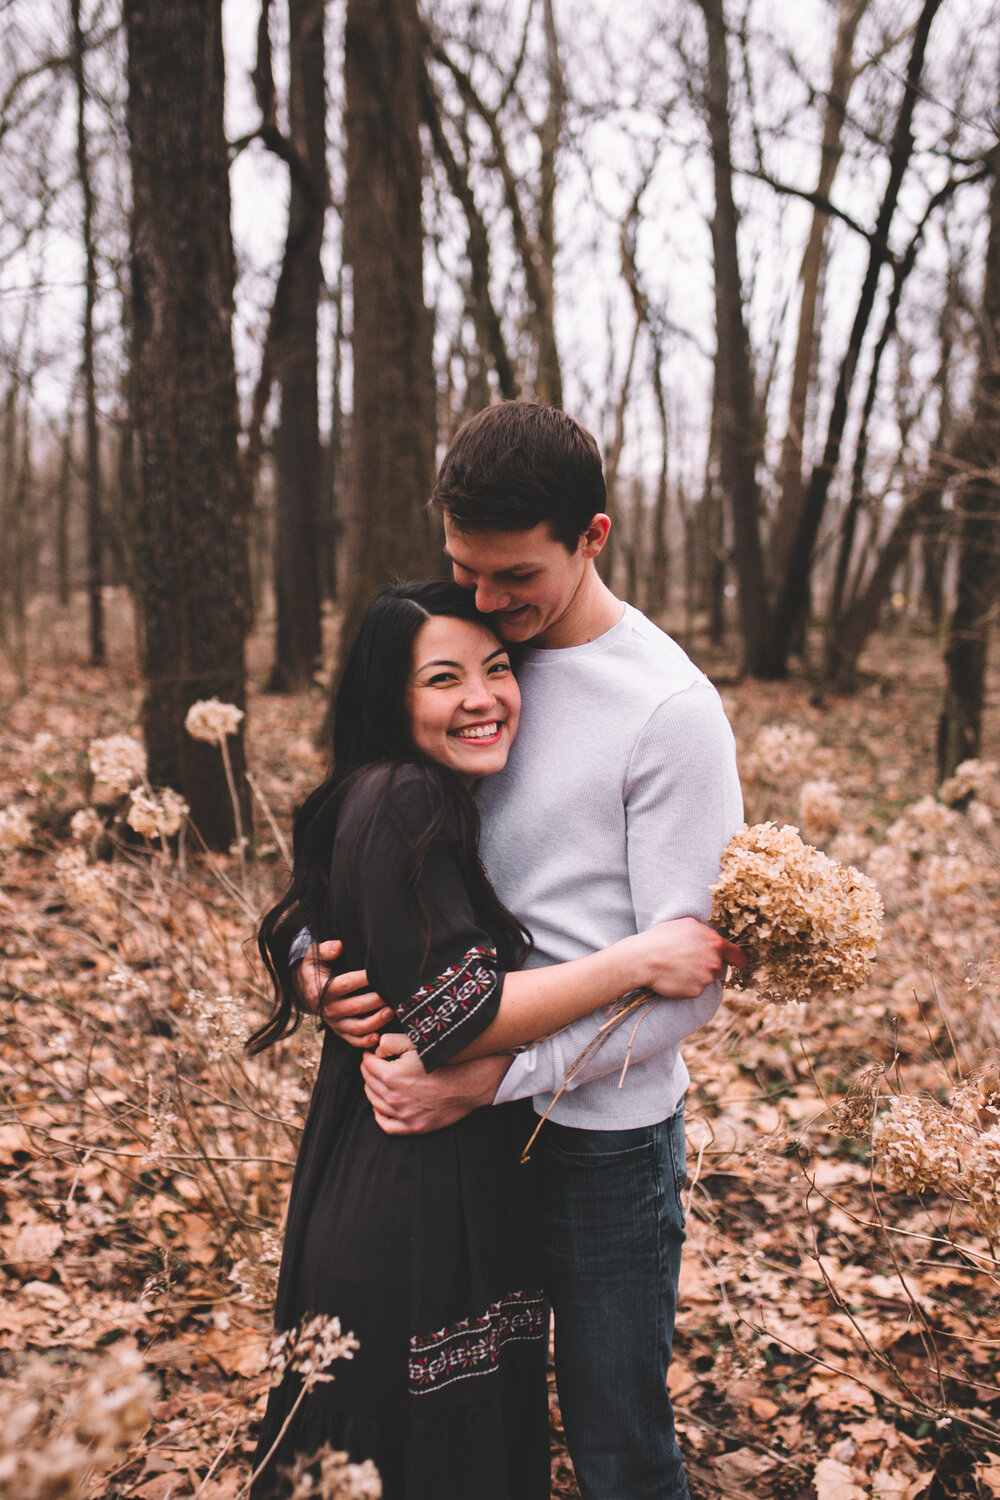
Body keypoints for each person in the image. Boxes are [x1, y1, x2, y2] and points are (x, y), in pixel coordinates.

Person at [302, 402, 746, 1500]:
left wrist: (500, 1073)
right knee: (469, 1426)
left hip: (596, 1138)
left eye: (514, 578)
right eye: (465, 568)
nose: (485, 601)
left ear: (592, 536)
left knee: (616, 1440)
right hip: (456, 1135)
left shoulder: (669, 713)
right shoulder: (465, 651)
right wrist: (317, 957)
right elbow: (376, 824)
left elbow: (687, 982)